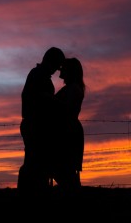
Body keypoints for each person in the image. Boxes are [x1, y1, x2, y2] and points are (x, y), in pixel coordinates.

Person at [17, 47, 65, 196]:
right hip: (35, 126)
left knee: (35, 163)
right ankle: (31, 196)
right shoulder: (38, 75)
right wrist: (54, 101)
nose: (56, 71)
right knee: (35, 164)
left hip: (36, 125)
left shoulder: (39, 75)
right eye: (56, 66)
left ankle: (31, 195)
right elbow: (37, 99)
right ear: (50, 61)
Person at [51, 57, 85, 195]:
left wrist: (49, 99)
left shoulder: (73, 89)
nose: (60, 69)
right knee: (64, 171)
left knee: (64, 170)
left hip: (68, 133)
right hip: (67, 132)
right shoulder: (72, 88)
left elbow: (67, 110)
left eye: (63, 67)